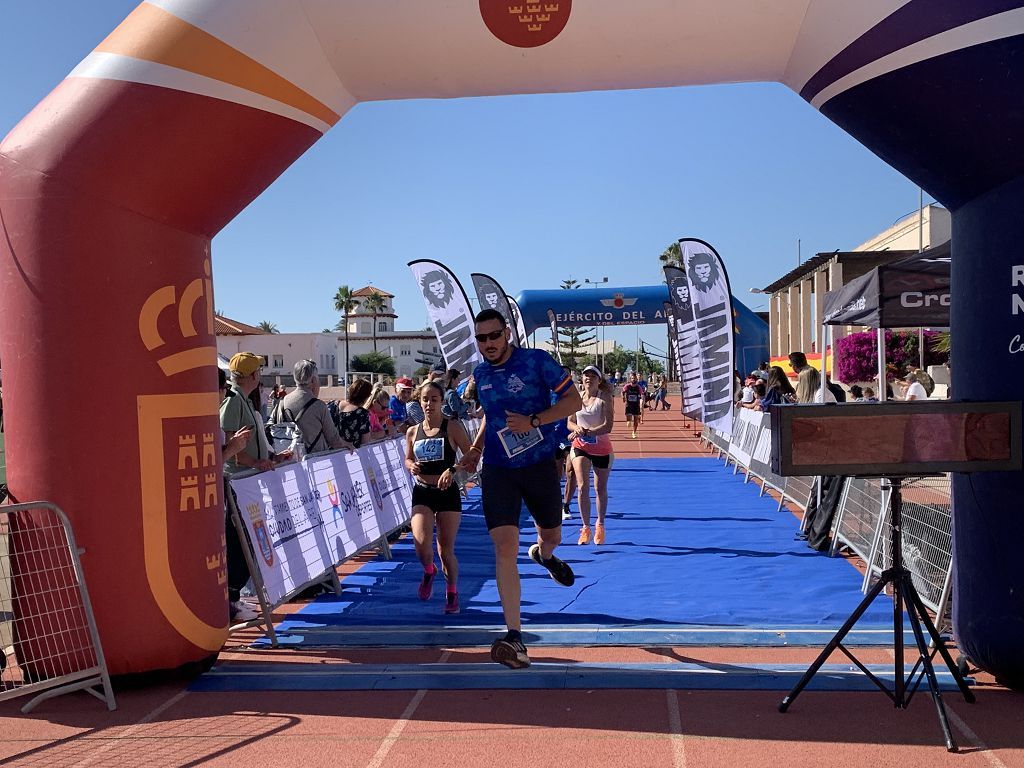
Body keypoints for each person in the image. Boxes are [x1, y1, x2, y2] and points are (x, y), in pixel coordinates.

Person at [457, 309, 582, 670]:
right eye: (481, 338)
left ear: (507, 333)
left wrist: (534, 421)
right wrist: (476, 450)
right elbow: (492, 420)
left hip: (540, 464)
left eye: (494, 336)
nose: (488, 344)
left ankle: (545, 555)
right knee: (504, 545)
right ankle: (515, 635)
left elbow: (573, 401)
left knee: (552, 534)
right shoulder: (480, 374)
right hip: (498, 468)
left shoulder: (536, 361)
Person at [405, 380, 472, 614]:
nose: (429, 404)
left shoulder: (452, 427)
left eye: (434, 399)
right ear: (419, 402)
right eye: (425, 399)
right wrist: (411, 464)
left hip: (447, 493)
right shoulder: (413, 431)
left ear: (442, 401)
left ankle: (452, 592)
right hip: (422, 491)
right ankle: (428, 571)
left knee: (445, 549)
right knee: (421, 545)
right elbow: (407, 458)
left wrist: (453, 470)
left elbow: (471, 457)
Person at [567, 366, 615, 545]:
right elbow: (570, 423)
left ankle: (600, 525)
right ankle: (585, 527)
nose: (589, 378)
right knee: (581, 486)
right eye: (586, 375)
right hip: (581, 447)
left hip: (601, 448)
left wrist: (587, 432)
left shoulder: (604, 398)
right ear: (582, 379)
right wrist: (577, 429)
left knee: (600, 489)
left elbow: (607, 426)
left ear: (599, 380)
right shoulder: (576, 398)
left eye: (593, 376)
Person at [273, 359, 351, 454]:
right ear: (313, 380)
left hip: (289, 461)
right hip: (315, 461)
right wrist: (348, 445)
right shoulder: (319, 406)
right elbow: (334, 440)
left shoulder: (282, 402)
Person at [333, 378, 376, 448]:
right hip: (351, 454)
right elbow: (365, 442)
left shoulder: (333, 405)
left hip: (329, 453)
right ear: (366, 396)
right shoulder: (362, 414)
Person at [621, 371, 643, 438]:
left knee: (636, 419)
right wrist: (623, 397)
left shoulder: (638, 387)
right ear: (630, 379)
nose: (634, 379)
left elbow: (642, 394)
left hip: (636, 405)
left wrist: (642, 401)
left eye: (635, 378)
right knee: (629, 421)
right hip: (629, 404)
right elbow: (622, 392)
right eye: (632, 378)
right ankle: (628, 421)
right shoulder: (627, 386)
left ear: (637, 379)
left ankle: (634, 432)